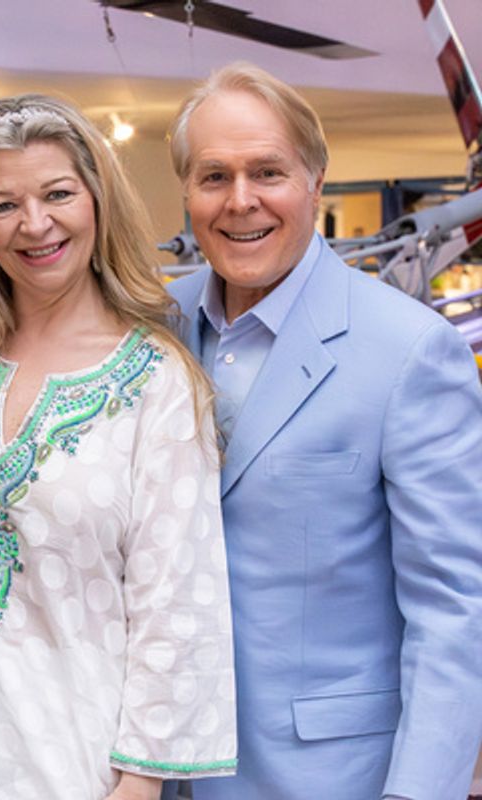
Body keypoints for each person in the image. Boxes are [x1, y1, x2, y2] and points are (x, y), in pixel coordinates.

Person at [0, 94, 236, 800]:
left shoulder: (158, 381)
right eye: (3, 205)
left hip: (79, 767)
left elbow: (178, 603)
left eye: (58, 194)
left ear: (97, 199)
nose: (34, 224)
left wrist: (140, 783)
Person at [164, 62, 482, 799]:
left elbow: (456, 610)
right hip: (162, 772)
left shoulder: (410, 350)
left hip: (332, 778)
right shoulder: (153, 327)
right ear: (186, 191)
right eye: (214, 177)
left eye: (267, 172)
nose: (240, 201)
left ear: (315, 180)